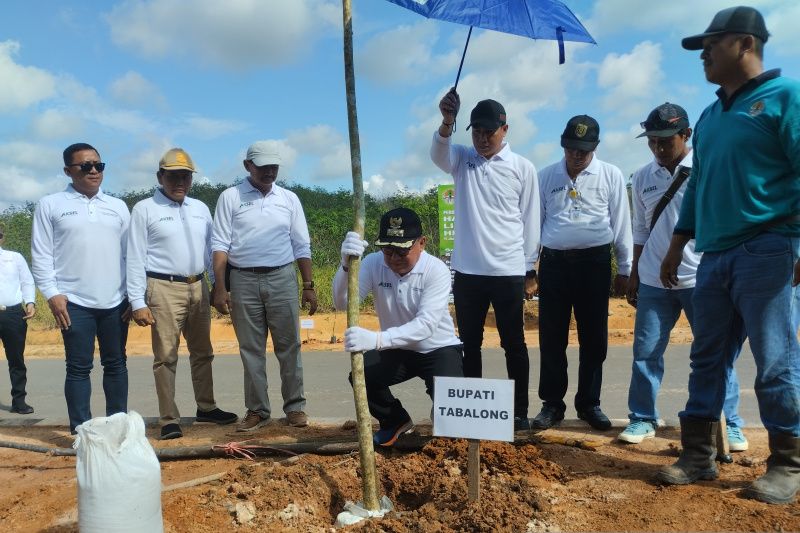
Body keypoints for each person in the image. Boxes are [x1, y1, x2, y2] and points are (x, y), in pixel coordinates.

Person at [656, 6, 800, 504]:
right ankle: (699, 455)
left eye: (710, 45)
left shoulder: (787, 97)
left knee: (776, 359)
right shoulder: (710, 115)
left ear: (744, 43)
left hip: (768, 248)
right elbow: (698, 185)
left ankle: (787, 462)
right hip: (713, 254)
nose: (703, 55)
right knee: (706, 358)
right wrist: (677, 243)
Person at [619, 103, 748, 449]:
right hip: (653, 282)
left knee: (714, 356)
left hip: (700, 280)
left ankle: (731, 423)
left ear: (686, 135)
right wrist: (634, 272)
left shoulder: (707, 170)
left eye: (665, 141)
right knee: (645, 352)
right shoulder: (643, 176)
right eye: (652, 142)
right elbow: (641, 229)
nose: (658, 149)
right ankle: (643, 418)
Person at [431, 89, 540, 430]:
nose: (481, 138)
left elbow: (531, 219)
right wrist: (447, 121)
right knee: (470, 344)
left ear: (504, 130)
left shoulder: (522, 167)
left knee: (514, 344)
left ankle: (519, 412)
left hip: (508, 270)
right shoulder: (463, 160)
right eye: (476, 131)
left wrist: (530, 268)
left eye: (488, 132)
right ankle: (472, 416)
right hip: (467, 272)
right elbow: (438, 153)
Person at [127, 148, 238, 440]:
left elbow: (210, 250)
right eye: (173, 176)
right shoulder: (144, 209)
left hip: (197, 285)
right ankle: (168, 419)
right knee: (165, 356)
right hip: (162, 287)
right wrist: (137, 302)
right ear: (160, 176)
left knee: (203, 351)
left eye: (185, 176)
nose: (180, 182)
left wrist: (218, 286)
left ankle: (207, 407)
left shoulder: (200, 208)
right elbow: (135, 257)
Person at [531, 115, 633, 431]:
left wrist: (625, 268)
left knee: (594, 339)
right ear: (563, 145)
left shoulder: (611, 175)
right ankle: (552, 404)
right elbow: (534, 224)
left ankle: (589, 404)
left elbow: (621, 224)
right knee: (551, 338)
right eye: (572, 148)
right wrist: (528, 269)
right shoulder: (545, 176)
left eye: (584, 150)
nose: (577, 155)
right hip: (555, 265)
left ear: (595, 147)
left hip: (595, 264)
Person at [333, 208, 464, 446]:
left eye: (402, 251)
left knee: (451, 417)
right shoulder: (373, 264)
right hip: (398, 349)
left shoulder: (436, 270)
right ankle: (394, 420)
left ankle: (444, 417)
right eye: (388, 250)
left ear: (421, 243)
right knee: (362, 374)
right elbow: (342, 302)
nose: (394, 259)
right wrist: (345, 266)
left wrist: (377, 340)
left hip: (437, 347)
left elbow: (425, 326)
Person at [210, 141, 317, 432]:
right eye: (263, 166)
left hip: (282, 278)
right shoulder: (230, 197)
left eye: (274, 166)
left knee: (290, 346)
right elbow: (220, 244)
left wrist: (308, 284)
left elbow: (301, 244)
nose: (270, 171)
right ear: (247, 166)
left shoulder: (289, 199)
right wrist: (220, 287)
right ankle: (257, 410)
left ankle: (295, 407)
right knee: (251, 349)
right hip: (243, 279)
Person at [31, 143, 130, 434]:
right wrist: (52, 294)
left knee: (116, 365)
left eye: (99, 165)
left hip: (115, 301)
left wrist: (133, 296)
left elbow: (131, 255)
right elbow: (41, 254)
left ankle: (118, 428)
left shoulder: (118, 207)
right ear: (68, 170)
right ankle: (81, 432)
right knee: (78, 368)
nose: (94, 171)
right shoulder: (51, 205)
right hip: (73, 301)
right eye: (85, 166)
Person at [0, 225, 36, 414]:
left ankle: (19, 401)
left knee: (16, 359)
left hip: (12, 314)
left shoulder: (14, 258)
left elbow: (27, 281)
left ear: (2, 237)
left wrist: (30, 302)